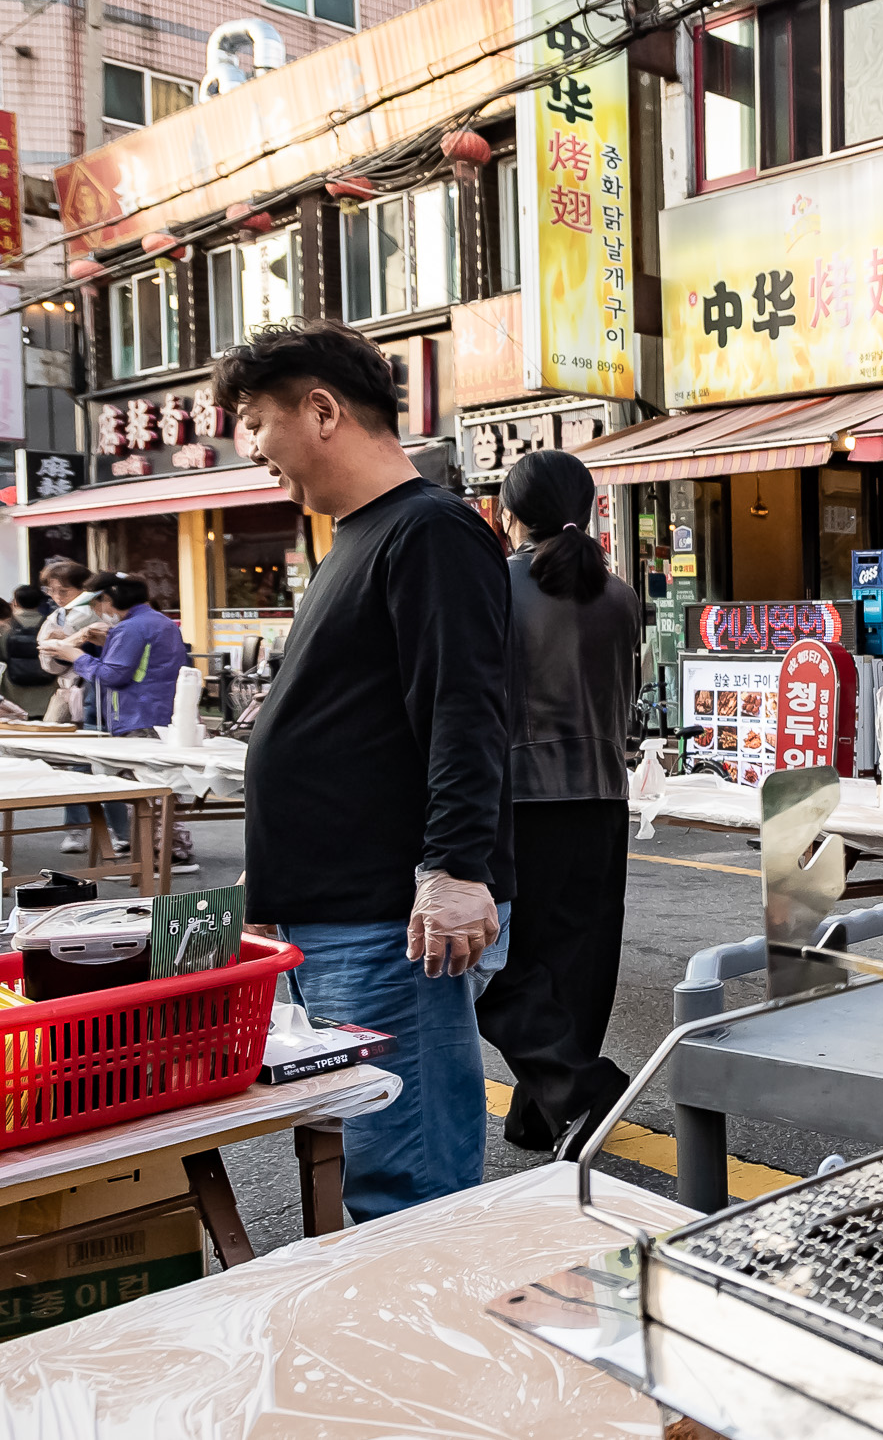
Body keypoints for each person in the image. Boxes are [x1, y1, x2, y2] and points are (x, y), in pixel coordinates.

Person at [217, 323, 513, 1221]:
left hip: (390, 921)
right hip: (337, 910)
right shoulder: (356, 535)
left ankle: (434, 1353)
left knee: (408, 1182)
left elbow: (466, 708)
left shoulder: (429, 531)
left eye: (255, 420)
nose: (250, 446)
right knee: (369, 1158)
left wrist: (457, 870)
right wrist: (275, 873)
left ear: (321, 409)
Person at [475, 448, 642, 1158]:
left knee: (495, 966)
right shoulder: (620, 594)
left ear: (509, 514)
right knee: (580, 959)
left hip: (523, 797)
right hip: (602, 794)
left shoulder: (495, 584)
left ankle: (580, 1090)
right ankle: (543, 1112)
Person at [69, 572, 200, 872]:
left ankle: (161, 855)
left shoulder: (131, 628)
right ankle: (169, 850)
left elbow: (114, 675)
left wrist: (74, 654)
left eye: (97, 601)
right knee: (162, 787)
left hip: (138, 714)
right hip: (158, 713)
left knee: (147, 791)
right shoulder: (159, 622)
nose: (96, 609)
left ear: (110, 599)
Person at [33, 561, 100, 852]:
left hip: (89, 691)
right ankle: (79, 829)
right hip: (67, 691)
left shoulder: (92, 614)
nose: (58, 596)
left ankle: (102, 831)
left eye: (65, 590)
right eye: (52, 590)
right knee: (75, 762)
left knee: (88, 763)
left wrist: (66, 644)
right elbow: (46, 656)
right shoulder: (57, 615)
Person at [4, 586, 55, 719]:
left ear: (15, 602)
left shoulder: (6, 626)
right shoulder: (51, 623)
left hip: (14, 691)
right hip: (47, 692)